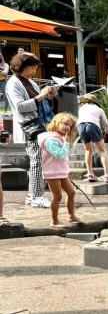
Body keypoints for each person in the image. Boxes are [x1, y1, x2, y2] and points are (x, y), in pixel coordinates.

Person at [5, 51, 56, 208]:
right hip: (30, 127)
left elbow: (36, 101)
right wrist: (41, 96)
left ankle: (32, 195)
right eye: (32, 68)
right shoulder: (13, 83)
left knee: (38, 161)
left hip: (37, 126)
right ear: (22, 67)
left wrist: (48, 96)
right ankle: (36, 196)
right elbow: (20, 107)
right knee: (37, 162)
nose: (34, 72)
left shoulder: (29, 82)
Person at [38, 113, 83, 230]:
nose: (68, 127)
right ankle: (54, 221)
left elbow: (67, 154)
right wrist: (66, 143)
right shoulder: (50, 140)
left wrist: (67, 141)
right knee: (57, 196)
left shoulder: (61, 138)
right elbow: (59, 154)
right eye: (65, 124)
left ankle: (71, 216)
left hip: (61, 171)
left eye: (70, 126)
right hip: (52, 172)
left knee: (71, 192)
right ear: (56, 123)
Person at [76, 94, 108, 182]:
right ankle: (107, 175)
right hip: (92, 125)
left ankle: (90, 174)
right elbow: (107, 126)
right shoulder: (99, 109)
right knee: (102, 150)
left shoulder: (81, 109)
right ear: (94, 102)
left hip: (80, 126)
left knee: (88, 150)